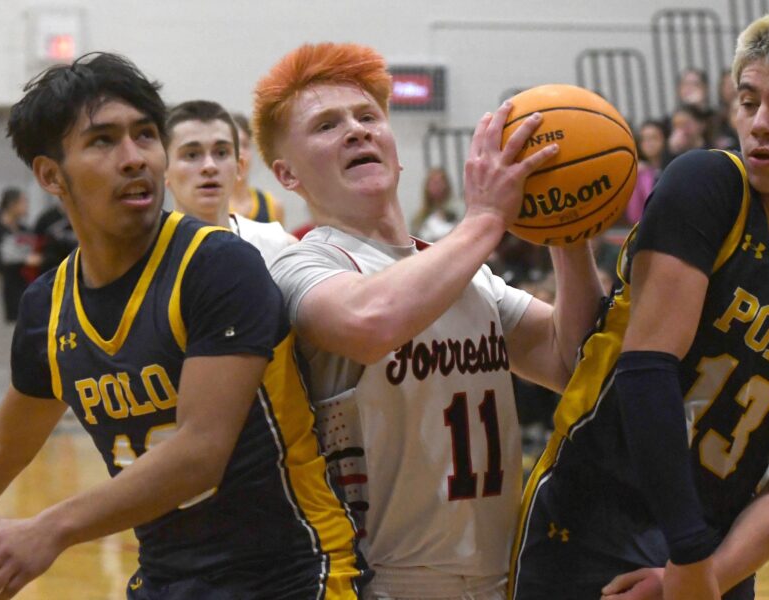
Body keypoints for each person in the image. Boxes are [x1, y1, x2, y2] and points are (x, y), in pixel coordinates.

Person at [0, 52, 366, 599]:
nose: (134, 158)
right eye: (103, 141)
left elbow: (200, 452)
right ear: (51, 175)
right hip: (167, 579)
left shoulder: (217, 265)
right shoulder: (48, 307)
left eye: (145, 135)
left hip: (295, 576)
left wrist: (51, 528)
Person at [511, 8, 769, 600]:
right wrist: (688, 555)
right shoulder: (706, 184)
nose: (759, 124)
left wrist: (704, 571)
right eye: (748, 101)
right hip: (589, 516)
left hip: (718, 547)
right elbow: (647, 366)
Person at [255, 42, 604, 598]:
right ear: (287, 174)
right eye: (326, 125)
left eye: (368, 117)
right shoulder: (299, 266)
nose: (356, 131)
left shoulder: (466, 275)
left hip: (502, 574)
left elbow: (571, 362)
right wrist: (485, 217)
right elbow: (371, 322)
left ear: (396, 151)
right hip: (382, 581)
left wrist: (567, 230)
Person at [164, 100, 296, 266]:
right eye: (192, 155)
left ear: (239, 167)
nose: (210, 166)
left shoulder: (280, 247)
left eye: (221, 153)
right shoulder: (143, 252)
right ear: (163, 169)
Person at [0, 186, 41, 322]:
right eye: (23, 202)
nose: (26, 206)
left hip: (32, 285)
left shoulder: (24, 229)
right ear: (12, 205)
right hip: (13, 288)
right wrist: (24, 261)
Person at [229, 112, 286, 224]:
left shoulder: (273, 206)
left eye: (245, 145)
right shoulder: (208, 206)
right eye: (232, 146)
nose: (240, 154)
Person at [626, 120, 671, 224]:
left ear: (665, 139)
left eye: (654, 138)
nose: (649, 143)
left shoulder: (672, 167)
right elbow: (634, 215)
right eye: (644, 139)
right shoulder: (640, 172)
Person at [410, 167, 460, 242]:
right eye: (433, 182)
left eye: (440, 182)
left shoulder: (456, 213)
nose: (437, 186)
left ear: (446, 186)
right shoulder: (419, 219)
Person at [33, 201, 78, 274]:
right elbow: (36, 241)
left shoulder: (81, 218)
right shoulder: (46, 218)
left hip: (75, 267)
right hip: (50, 268)